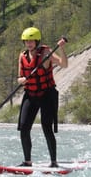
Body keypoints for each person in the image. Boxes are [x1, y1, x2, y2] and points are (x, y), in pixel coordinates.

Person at [17, 27, 68, 167]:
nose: (29, 43)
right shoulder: (22, 56)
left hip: (47, 94)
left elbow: (64, 64)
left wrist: (62, 49)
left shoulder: (46, 52)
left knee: (46, 127)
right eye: (27, 41)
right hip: (31, 95)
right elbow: (20, 77)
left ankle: (54, 162)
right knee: (24, 127)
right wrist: (21, 80)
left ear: (37, 41)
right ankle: (27, 161)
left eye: (31, 41)